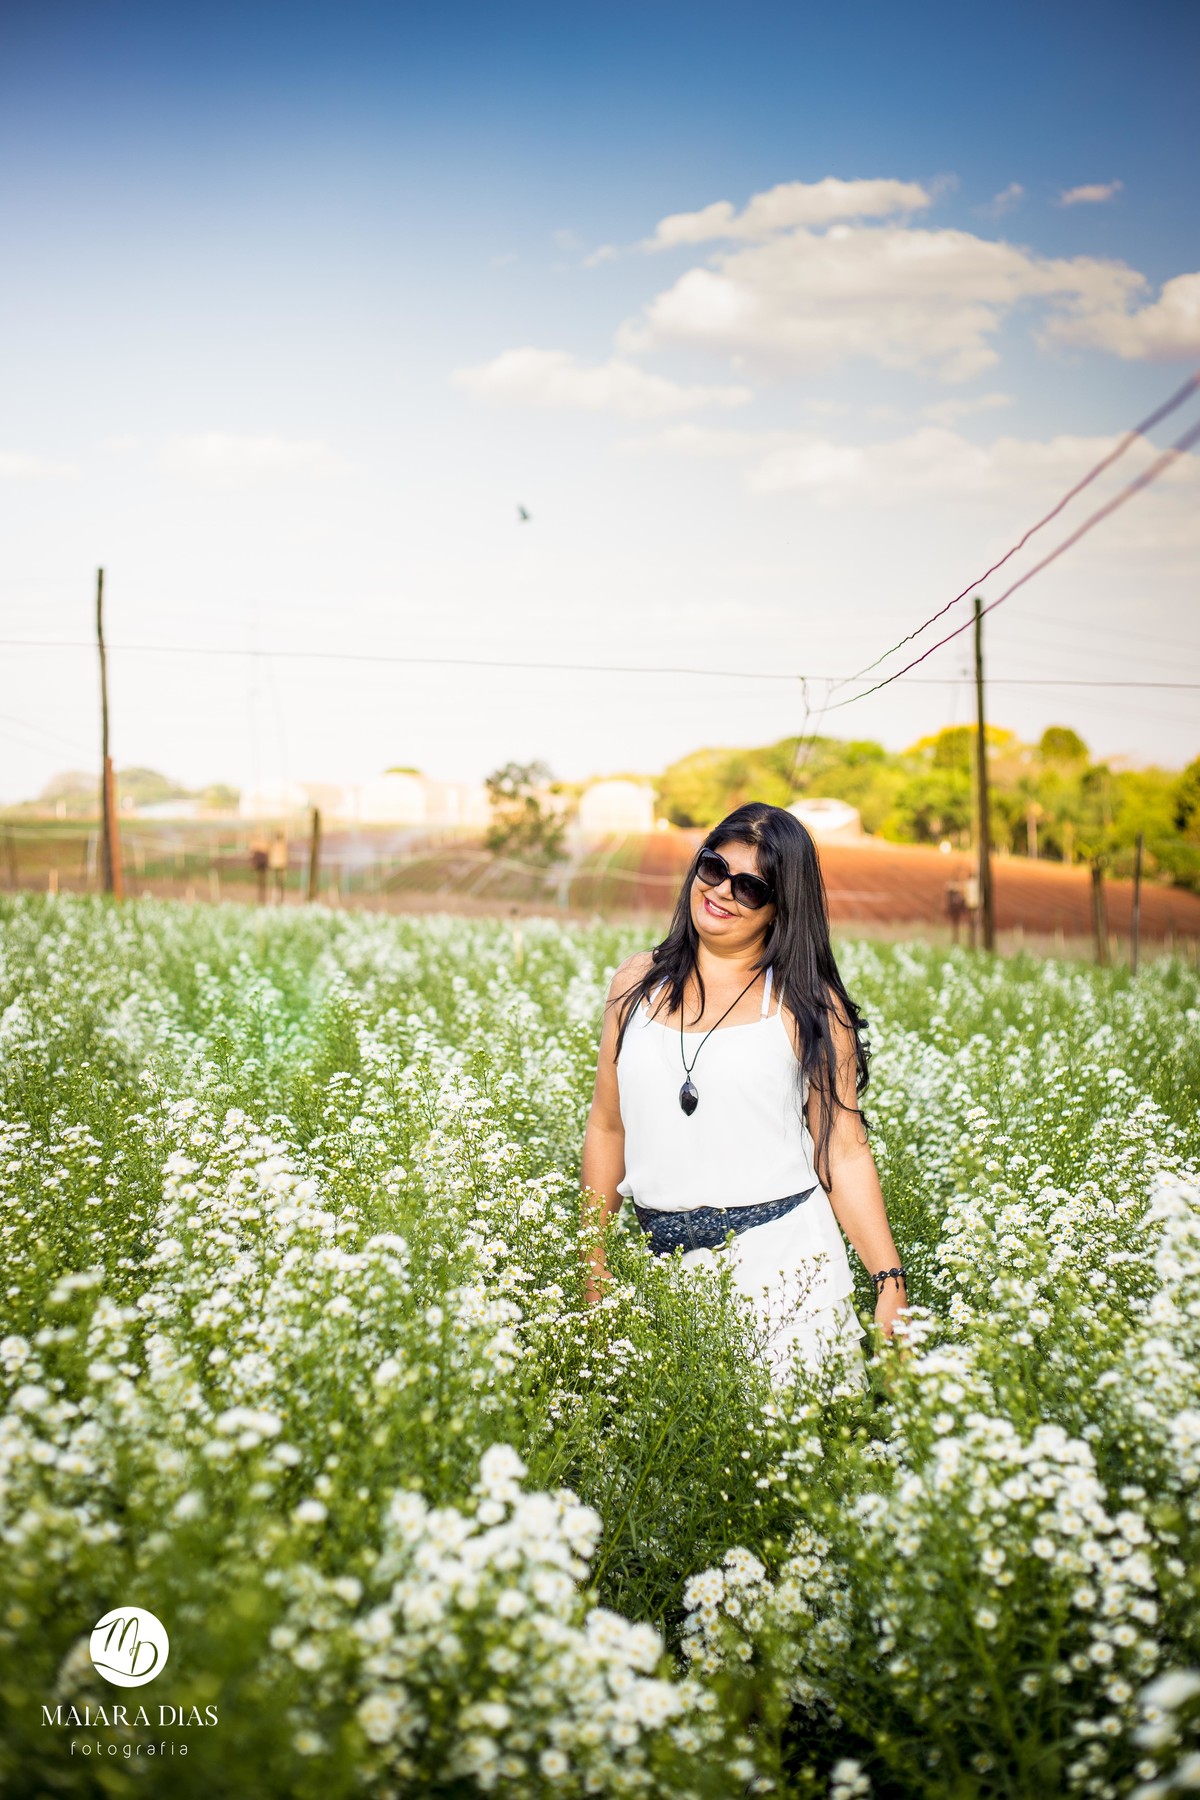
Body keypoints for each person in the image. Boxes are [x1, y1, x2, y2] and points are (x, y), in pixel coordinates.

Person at [580, 802, 907, 1385]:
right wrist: (593, 1264)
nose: (724, 893)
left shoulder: (807, 1004)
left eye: (752, 888)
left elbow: (844, 1150)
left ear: (782, 906)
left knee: (799, 1460)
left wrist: (888, 1282)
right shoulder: (634, 983)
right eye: (713, 868)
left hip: (786, 1271)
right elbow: (609, 1127)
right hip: (660, 1274)